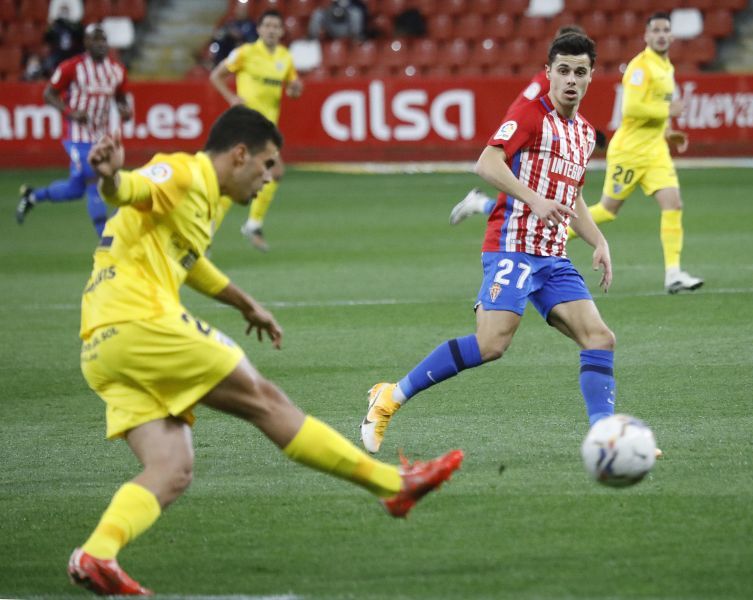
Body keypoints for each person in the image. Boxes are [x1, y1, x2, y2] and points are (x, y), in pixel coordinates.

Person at [67, 106, 463, 595]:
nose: (269, 177)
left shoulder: (205, 202)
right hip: (141, 322)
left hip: (102, 346)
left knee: (171, 467)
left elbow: (188, 261)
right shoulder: (184, 172)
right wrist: (109, 178)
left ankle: (97, 553)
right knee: (265, 400)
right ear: (239, 155)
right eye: (267, 164)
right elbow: (130, 189)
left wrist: (245, 303)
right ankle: (392, 487)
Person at [361, 33, 617, 454]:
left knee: (601, 338)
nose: (571, 79)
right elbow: (487, 162)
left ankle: (605, 436)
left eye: (581, 72)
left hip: (552, 257)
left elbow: (574, 195)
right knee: (492, 344)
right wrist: (533, 199)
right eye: (564, 70)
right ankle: (390, 396)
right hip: (512, 248)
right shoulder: (531, 115)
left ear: (591, 77)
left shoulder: (585, 134)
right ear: (549, 72)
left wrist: (599, 239)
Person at [585, 12, 703, 294]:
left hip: (655, 151)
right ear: (647, 36)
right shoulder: (640, 67)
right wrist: (667, 111)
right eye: (656, 30)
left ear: (671, 36)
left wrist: (669, 131)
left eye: (666, 30)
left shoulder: (667, 67)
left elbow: (657, 109)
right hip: (630, 151)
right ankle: (553, 234)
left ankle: (673, 274)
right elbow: (633, 109)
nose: (661, 35)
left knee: (673, 203)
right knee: (607, 211)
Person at [449, 25, 593, 225]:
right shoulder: (547, 81)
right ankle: (482, 206)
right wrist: (517, 135)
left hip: (528, 133)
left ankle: (480, 203)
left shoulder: (559, 78)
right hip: (524, 135)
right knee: (526, 201)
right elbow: (525, 111)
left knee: (532, 201)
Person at [16, 24, 131, 237]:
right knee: (93, 177)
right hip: (77, 136)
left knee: (75, 189)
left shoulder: (116, 70)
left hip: (100, 137)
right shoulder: (72, 67)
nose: (100, 44)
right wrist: (70, 112)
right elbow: (49, 94)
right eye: (95, 39)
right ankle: (106, 238)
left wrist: (125, 109)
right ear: (86, 43)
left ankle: (33, 197)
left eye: (103, 39)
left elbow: (121, 97)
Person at [210, 9, 302, 252]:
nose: (272, 30)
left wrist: (295, 89)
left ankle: (241, 226)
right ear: (259, 30)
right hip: (246, 123)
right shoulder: (245, 53)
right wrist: (231, 97)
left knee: (266, 174)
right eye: (268, 26)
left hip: (267, 128)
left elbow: (292, 88)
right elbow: (216, 75)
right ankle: (246, 225)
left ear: (282, 32)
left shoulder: (285, 57)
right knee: (245, 177)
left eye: (276, 26)